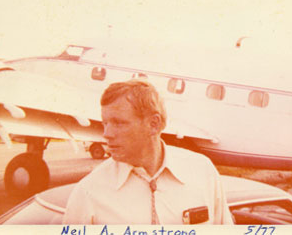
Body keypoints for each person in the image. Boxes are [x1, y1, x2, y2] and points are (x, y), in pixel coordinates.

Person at [63, 79, 234, 224]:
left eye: (119, 123)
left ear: (154, 124)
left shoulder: (202, 171)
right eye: (105, 123)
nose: (107, 134)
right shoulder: (88, 192)